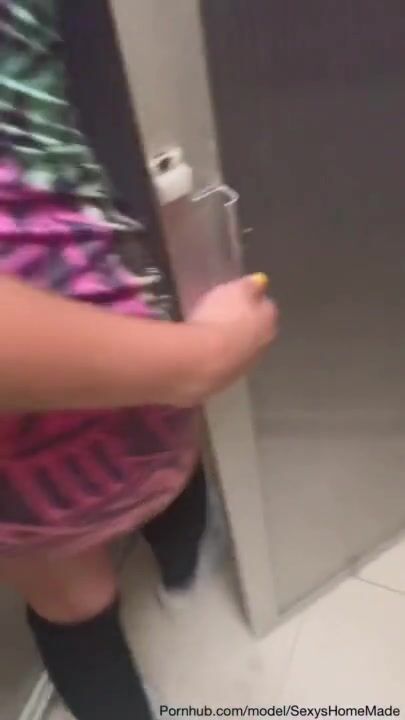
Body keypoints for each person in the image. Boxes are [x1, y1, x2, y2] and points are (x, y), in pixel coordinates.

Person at [0, 2, 278, 719]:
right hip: (119, 363)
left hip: (108, 361)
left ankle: (178, 576)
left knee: (72, 592)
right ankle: (182, 571)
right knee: (162, 480)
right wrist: (203, 357)